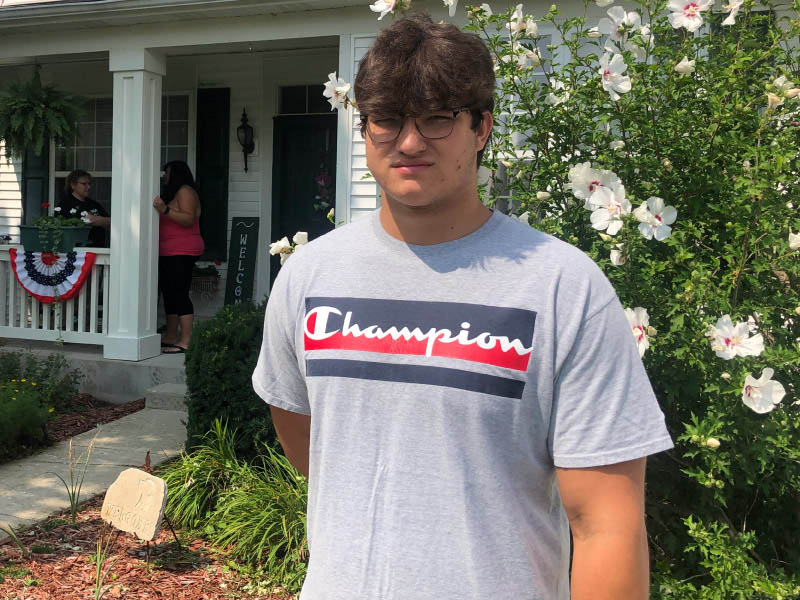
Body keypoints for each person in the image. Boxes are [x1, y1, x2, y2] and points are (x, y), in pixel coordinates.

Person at [252, 15, 673, 600]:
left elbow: (607, 527)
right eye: (387, 119)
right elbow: (310, 443)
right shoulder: (308, 278)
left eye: (437, 118)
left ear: (482, 127)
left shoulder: (563, 288)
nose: (408, 141)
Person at [153, 160, 203, 354]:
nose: (164, 177)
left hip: (182, 250)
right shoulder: (174, 193)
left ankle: (186, 340)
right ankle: (172, 336)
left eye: (167, 173)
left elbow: (188, 218)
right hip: (167, 250)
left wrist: (164, 209)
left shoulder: (185, 191)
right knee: (169, 293)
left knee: (179, 293)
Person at [58, 170, 110, 247]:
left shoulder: (94, 204)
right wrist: (99, 220)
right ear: (73, 185)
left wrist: (94, 219)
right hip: (77, 252)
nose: (88, 187)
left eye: (89, 184)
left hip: (99, 250)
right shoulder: (65, 205)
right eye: (84, 184)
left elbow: (111, 223)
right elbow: (85, 221)